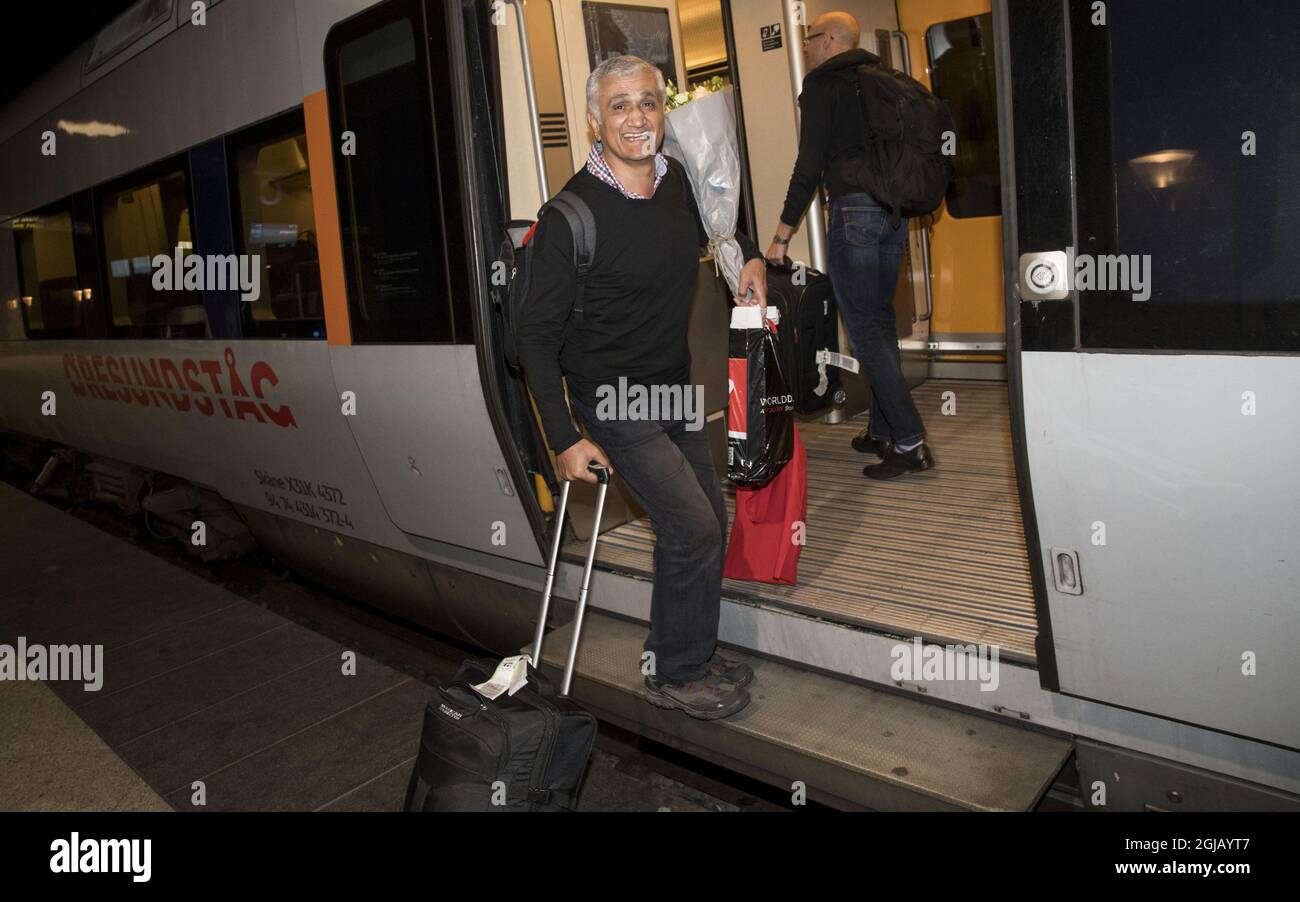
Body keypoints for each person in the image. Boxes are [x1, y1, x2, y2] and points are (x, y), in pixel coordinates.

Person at [516, 55, 769, 720]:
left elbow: (722, 229)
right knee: (691, 525)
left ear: (665, 111)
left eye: (649, 102)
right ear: (595, 121)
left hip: (673, 386)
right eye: (621, 105)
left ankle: (692, 649)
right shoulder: (571, 216)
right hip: (613, 400)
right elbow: (533, 341)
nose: (637, 117)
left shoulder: (681, 181)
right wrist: (564, 438)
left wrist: (750, 260)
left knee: (708, 520)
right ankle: (675, 674)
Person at [766, 12, 934, 479]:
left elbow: (810, 165)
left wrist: (782, 233)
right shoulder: (883, 80)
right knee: (879, 321)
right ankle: (882, 430)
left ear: (831, 40)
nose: (806, 47)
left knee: (865, 330)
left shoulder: (824, 85)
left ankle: (910, 441)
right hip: (893, 215)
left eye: (810, 38)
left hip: (855, 214)